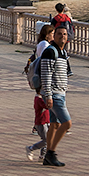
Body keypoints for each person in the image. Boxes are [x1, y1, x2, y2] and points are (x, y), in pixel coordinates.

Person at [37, 22, 73, 167]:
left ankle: (48, 156)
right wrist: (48, 96)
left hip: (61, 93)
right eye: (59, 34)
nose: (62, 37)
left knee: (55, 124)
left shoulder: (63, 53)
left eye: (64, 34)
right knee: (67, 123)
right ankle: (51, 152)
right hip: (54, 94)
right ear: (54, 36)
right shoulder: (50, 52)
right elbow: (46, 75)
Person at [24, 22, 54, 161]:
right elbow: (44, 62)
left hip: (43, 119)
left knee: (47, 136)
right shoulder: (44, 45)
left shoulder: (42, 44)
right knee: (47, 138)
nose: (53, 36)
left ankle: (43, 154)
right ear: (47, 34)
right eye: (52, 34)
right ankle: (32, 148)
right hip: (42, 77)